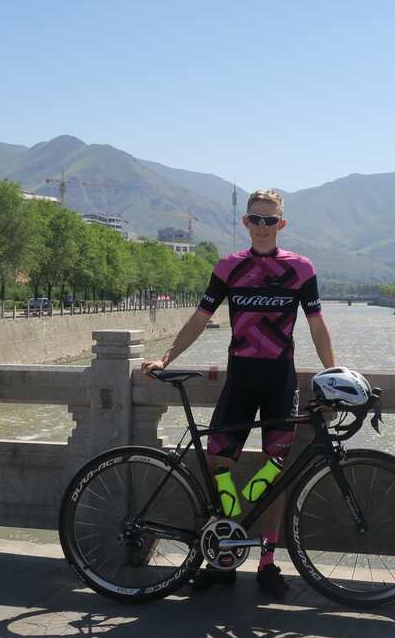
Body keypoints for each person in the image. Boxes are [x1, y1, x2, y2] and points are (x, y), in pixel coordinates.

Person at [142, 188, 336, 599]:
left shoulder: (300, 270)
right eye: (256, 219)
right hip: (241, 377)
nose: (263, 227)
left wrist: (335, 372)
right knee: (218, 461)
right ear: (245, 222)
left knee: (275, 468)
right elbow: (200, 317)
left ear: (281, 225)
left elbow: (317, 324)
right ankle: (226, 552)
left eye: (271, 220)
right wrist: (165, 357)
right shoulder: (229, 267)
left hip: (279, 379)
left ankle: (268, 561)